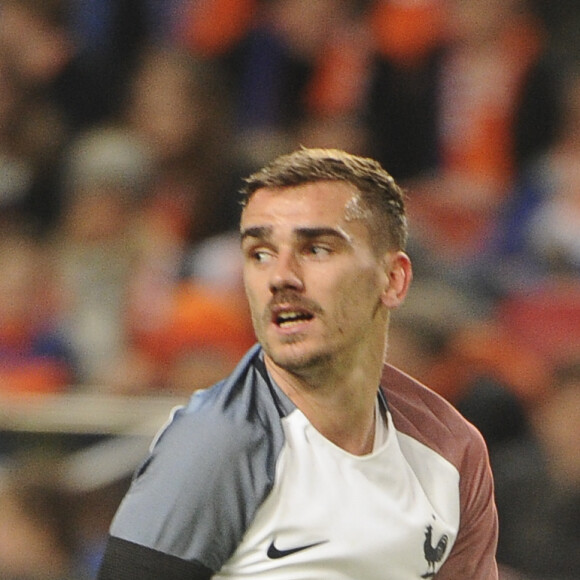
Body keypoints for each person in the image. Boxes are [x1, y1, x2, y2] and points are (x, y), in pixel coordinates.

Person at [97, 148, 498, 579]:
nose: (280, 276)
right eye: (260, 253)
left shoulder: (451, 450)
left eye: (316, 249)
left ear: (393, 279)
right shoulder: (214, 447)